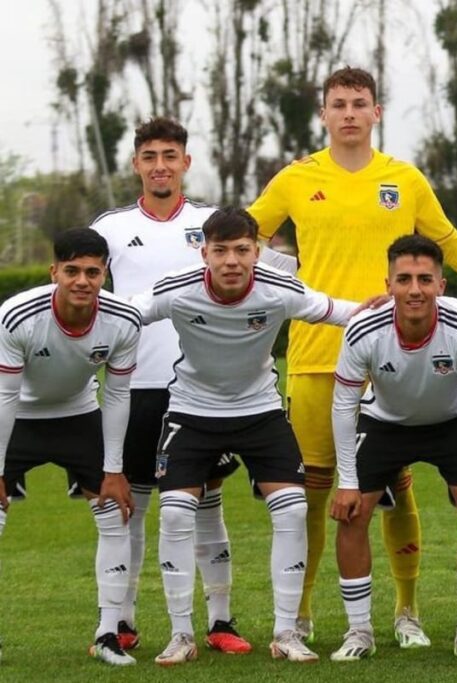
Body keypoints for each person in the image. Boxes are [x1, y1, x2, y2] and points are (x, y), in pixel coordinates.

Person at [248, 66, 457, 646]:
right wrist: (273, 284)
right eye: (338, 104)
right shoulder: (296, 179)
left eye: (360, 103)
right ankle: (298, 616)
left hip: (392, 358)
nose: (349, 113)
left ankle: (407, 612)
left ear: (377, 113)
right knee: (315, 494)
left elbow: (452, 247)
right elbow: (240, 240)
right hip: (316, 356)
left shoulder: (404, 179)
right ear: (323, 114)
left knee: (395, 487)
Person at [130, 207, 359, 665]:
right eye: (221, 251)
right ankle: (180, 635)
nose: (232, 261)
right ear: (204, 253)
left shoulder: (279, 290)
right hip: (192, 412)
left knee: (293, 507)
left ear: (257, 252)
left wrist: (409, 305)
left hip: (259, 412)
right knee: (175, 514)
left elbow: (340, 311)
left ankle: (286, 633)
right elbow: (121, 314)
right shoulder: (178, 289)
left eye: (241, 250)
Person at [90, 117, 251, 654]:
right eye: (150, 156)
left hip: (201, 390)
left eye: (170, 155)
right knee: (127, 505)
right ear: (137, 164)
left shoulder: (211, 223)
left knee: (206, 504)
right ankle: (119, 620)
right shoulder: (110, 227)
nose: (161, 165)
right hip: (133, 386)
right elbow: (87, 293)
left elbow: (260, 273)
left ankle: (221, 622)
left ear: (187, 162)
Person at [330, 235, 457, 661]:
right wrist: (347, 482)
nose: (415, 289)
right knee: (351, 514)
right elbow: (344, 405)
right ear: (388, 284)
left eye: (425, 279)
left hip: (453, 420)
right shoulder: (363, 328)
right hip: (385, 422)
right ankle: (359, 631)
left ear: (443, 284)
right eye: (404, 279)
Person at [0, 228, 139, 665]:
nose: (82, 280)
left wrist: (114, 470)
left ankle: (107, 635)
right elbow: (4, 395)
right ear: (54, 272)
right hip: (17, 415)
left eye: (93, 271)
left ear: (105, 274)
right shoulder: (17, 315)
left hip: (78, 415)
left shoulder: (123, 320)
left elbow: (116, 394)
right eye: (72, 270)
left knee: (115, 512)